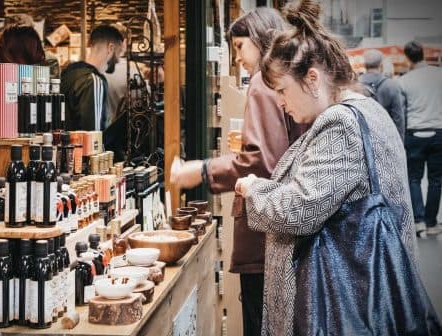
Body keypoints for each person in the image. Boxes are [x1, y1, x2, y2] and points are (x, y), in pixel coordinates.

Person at [234, 1, 415, 335]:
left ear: (312, 78)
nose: (282, 104)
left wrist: (253, 189)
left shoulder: (340, 123)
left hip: (344, 306)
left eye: (283, 91)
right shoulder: (366, 110)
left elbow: (299, 209)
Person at [171, 8, 308, 336]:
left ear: (261, 41)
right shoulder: (288, 81)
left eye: (239, 46)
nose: (237, 58)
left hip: (265, 234)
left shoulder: (263, 82)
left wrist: (201, 171)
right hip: (288, 229)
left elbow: (261, 161)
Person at [399, 40, 442, 236]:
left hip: (414, 133)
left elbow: (401, 111)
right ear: (423, 53)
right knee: (436, 180)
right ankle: (432, 223)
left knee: (413, 178)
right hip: (439, 132)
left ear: (407, 58)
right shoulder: (439, 75)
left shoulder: (404, 81)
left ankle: (419, 221)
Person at [61, 24, 123, 132]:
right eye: (118, 53)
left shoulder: (69, 73)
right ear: (110, 48)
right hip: (82, 148)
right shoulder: (93, 81)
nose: (118, 60)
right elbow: (93, 135)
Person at [358, 49, 405, 139]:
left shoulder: (355, 85)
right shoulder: (392, 85)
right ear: (381, 64)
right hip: (386, 137)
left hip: (363, 137)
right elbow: (398, 118)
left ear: (365, 65)